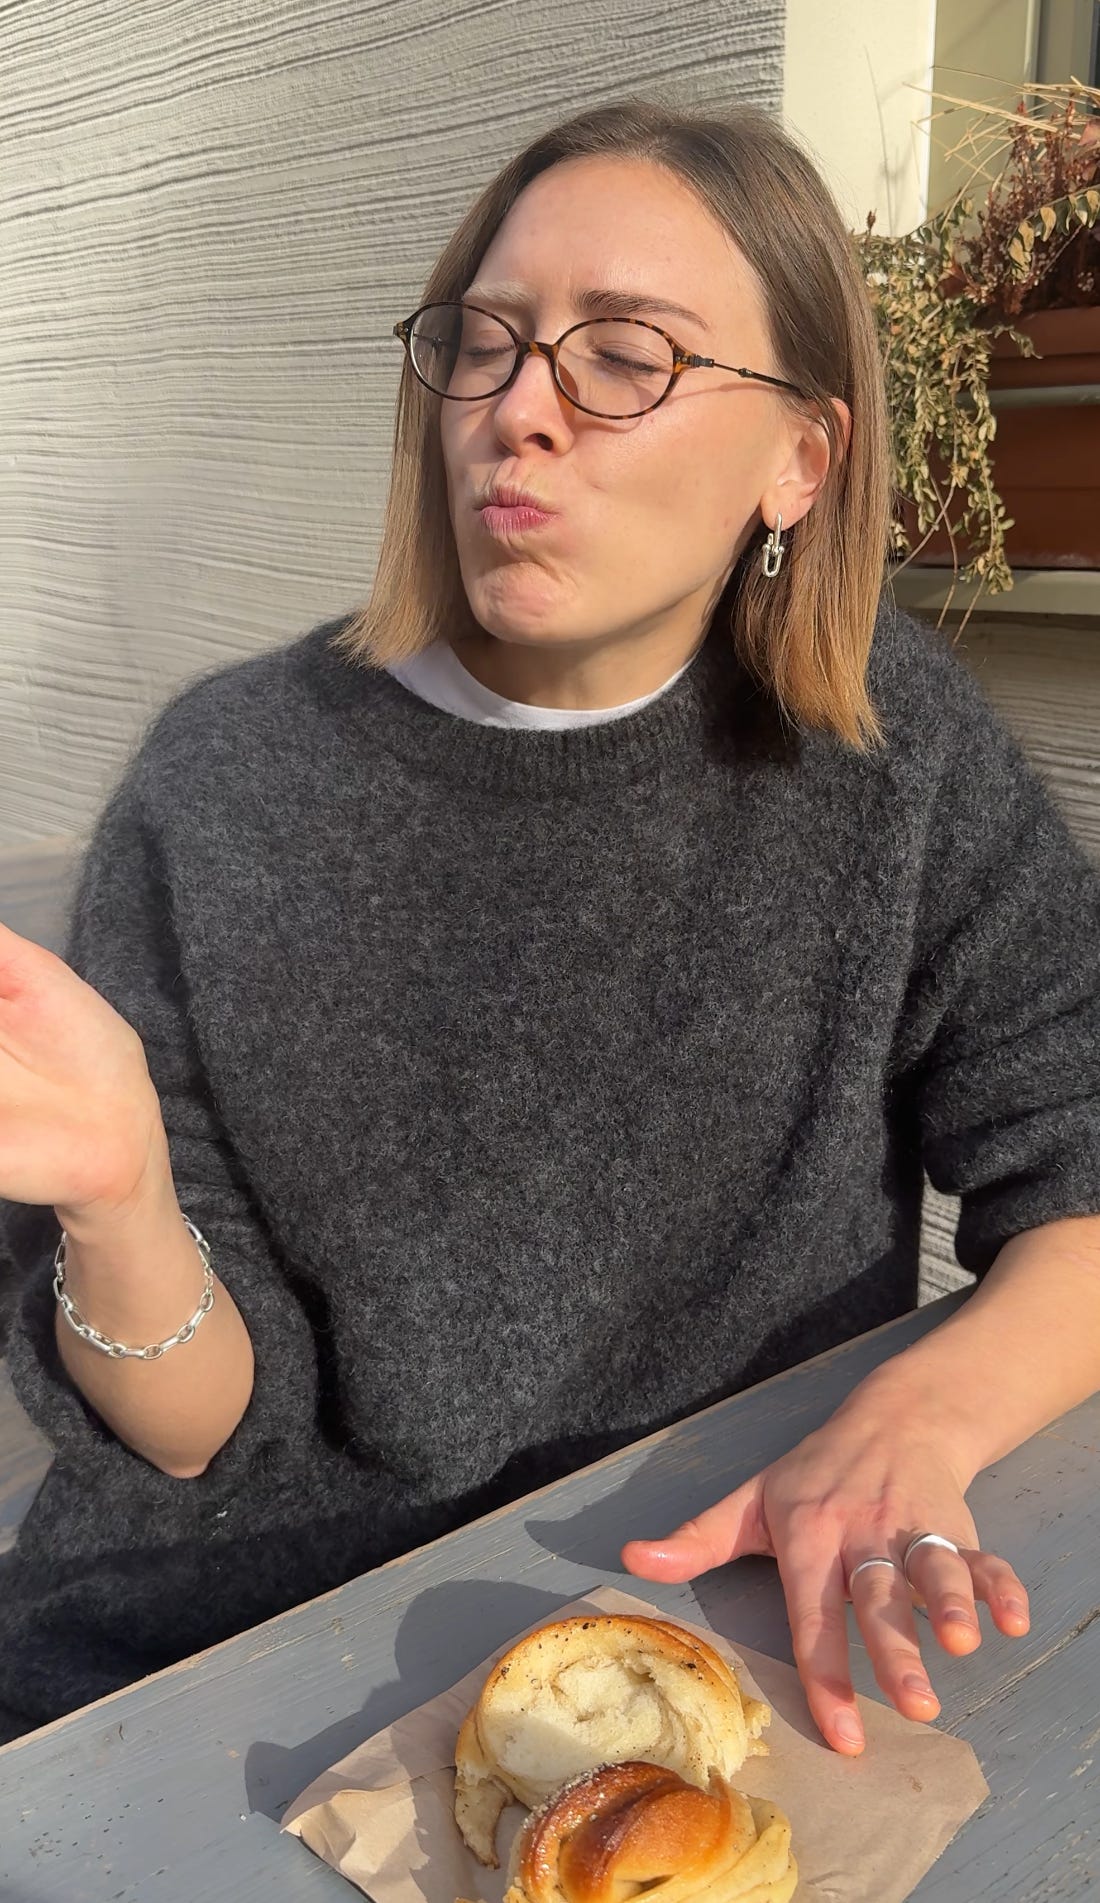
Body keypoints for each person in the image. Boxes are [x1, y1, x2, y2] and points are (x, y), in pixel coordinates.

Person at [1, 96, 1099, 1756]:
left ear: (800, 460)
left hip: (701, 1616)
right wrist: (121, 1199)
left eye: (624, 358)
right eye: (485, 343)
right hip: (226, 1652)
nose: (521, 410)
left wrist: (916, 1424)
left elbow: (1081, 1151)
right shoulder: (225, 782)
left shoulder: (889, 756)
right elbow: (192, 1437)